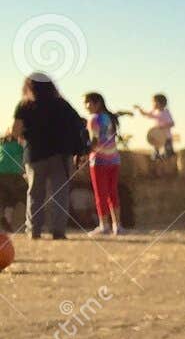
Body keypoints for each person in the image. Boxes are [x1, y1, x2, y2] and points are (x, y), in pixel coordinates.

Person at [10, 74, 87, 240]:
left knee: (35, 193)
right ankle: (58, 231)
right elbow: (79, 124)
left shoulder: (25, 106)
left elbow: (15, 131)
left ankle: (34, 231)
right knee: (60, 194)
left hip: (35, 154)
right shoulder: (62, 105)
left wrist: (25, 135)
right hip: (61, 154)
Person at [82, 92, 123, 236]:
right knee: (113, 192)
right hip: (114, 158)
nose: (86, 106)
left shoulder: (93, 119)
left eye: (87, 103)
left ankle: (103, 225)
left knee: (101, 194)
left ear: (96, 103)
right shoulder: (109, 118)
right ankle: (117, 225)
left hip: (99, 160)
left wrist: (84, 152)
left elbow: (94, 141)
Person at [134, 93, 175, 158]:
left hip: (166, 138)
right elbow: (146, 114)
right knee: (156, 156)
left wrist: (162, 127)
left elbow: (172, 123)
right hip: (158, 138)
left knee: (168, 155)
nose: (152, 104)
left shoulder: (165, 112)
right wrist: (139, 108)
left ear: (159, 103)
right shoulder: (156, 112)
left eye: (154, 102)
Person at [0, 133, 24, 233]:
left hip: (1, 174)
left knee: (4, 198)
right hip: (14, 176)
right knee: (18, 197)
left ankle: (5, 220)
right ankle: (7, 220)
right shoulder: (19, 147)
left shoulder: (2, 147)